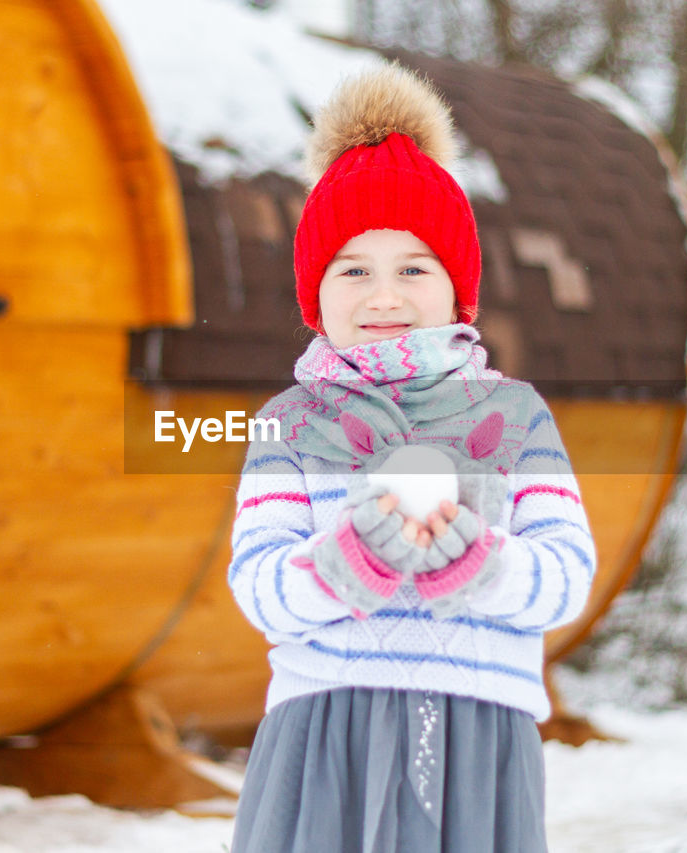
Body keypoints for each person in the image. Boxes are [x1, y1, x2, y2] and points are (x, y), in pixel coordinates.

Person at [227, 62, 596, 853]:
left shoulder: (515, 417)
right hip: (325, 729)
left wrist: (481, 562)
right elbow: (259, 588)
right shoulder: (288, 426)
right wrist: (345, 561)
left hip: (477, 733)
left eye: (413, 268)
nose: (383, 296)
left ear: (457, 286)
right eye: (352, 269)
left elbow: (566, 579)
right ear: (315, 289)